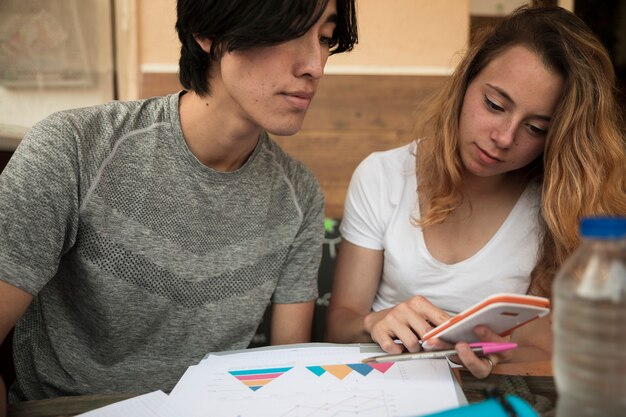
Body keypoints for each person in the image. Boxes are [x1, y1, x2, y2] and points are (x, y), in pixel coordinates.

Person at [0, 0, 357, 412]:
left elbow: (284, 372)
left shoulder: (299, 194)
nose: (315, 64)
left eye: (325, 39)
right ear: (207, 33)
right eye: (289, 31)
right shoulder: (74, 148)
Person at [326, 5, 626, 379]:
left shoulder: (556, 205)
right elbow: (338, 326)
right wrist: (374, 321)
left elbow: (548, 354)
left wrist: (500, 360)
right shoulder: (382, 175)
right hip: (379, 385)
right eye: (494, 105)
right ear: (466, 81)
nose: (503, 138)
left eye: (535, 128)